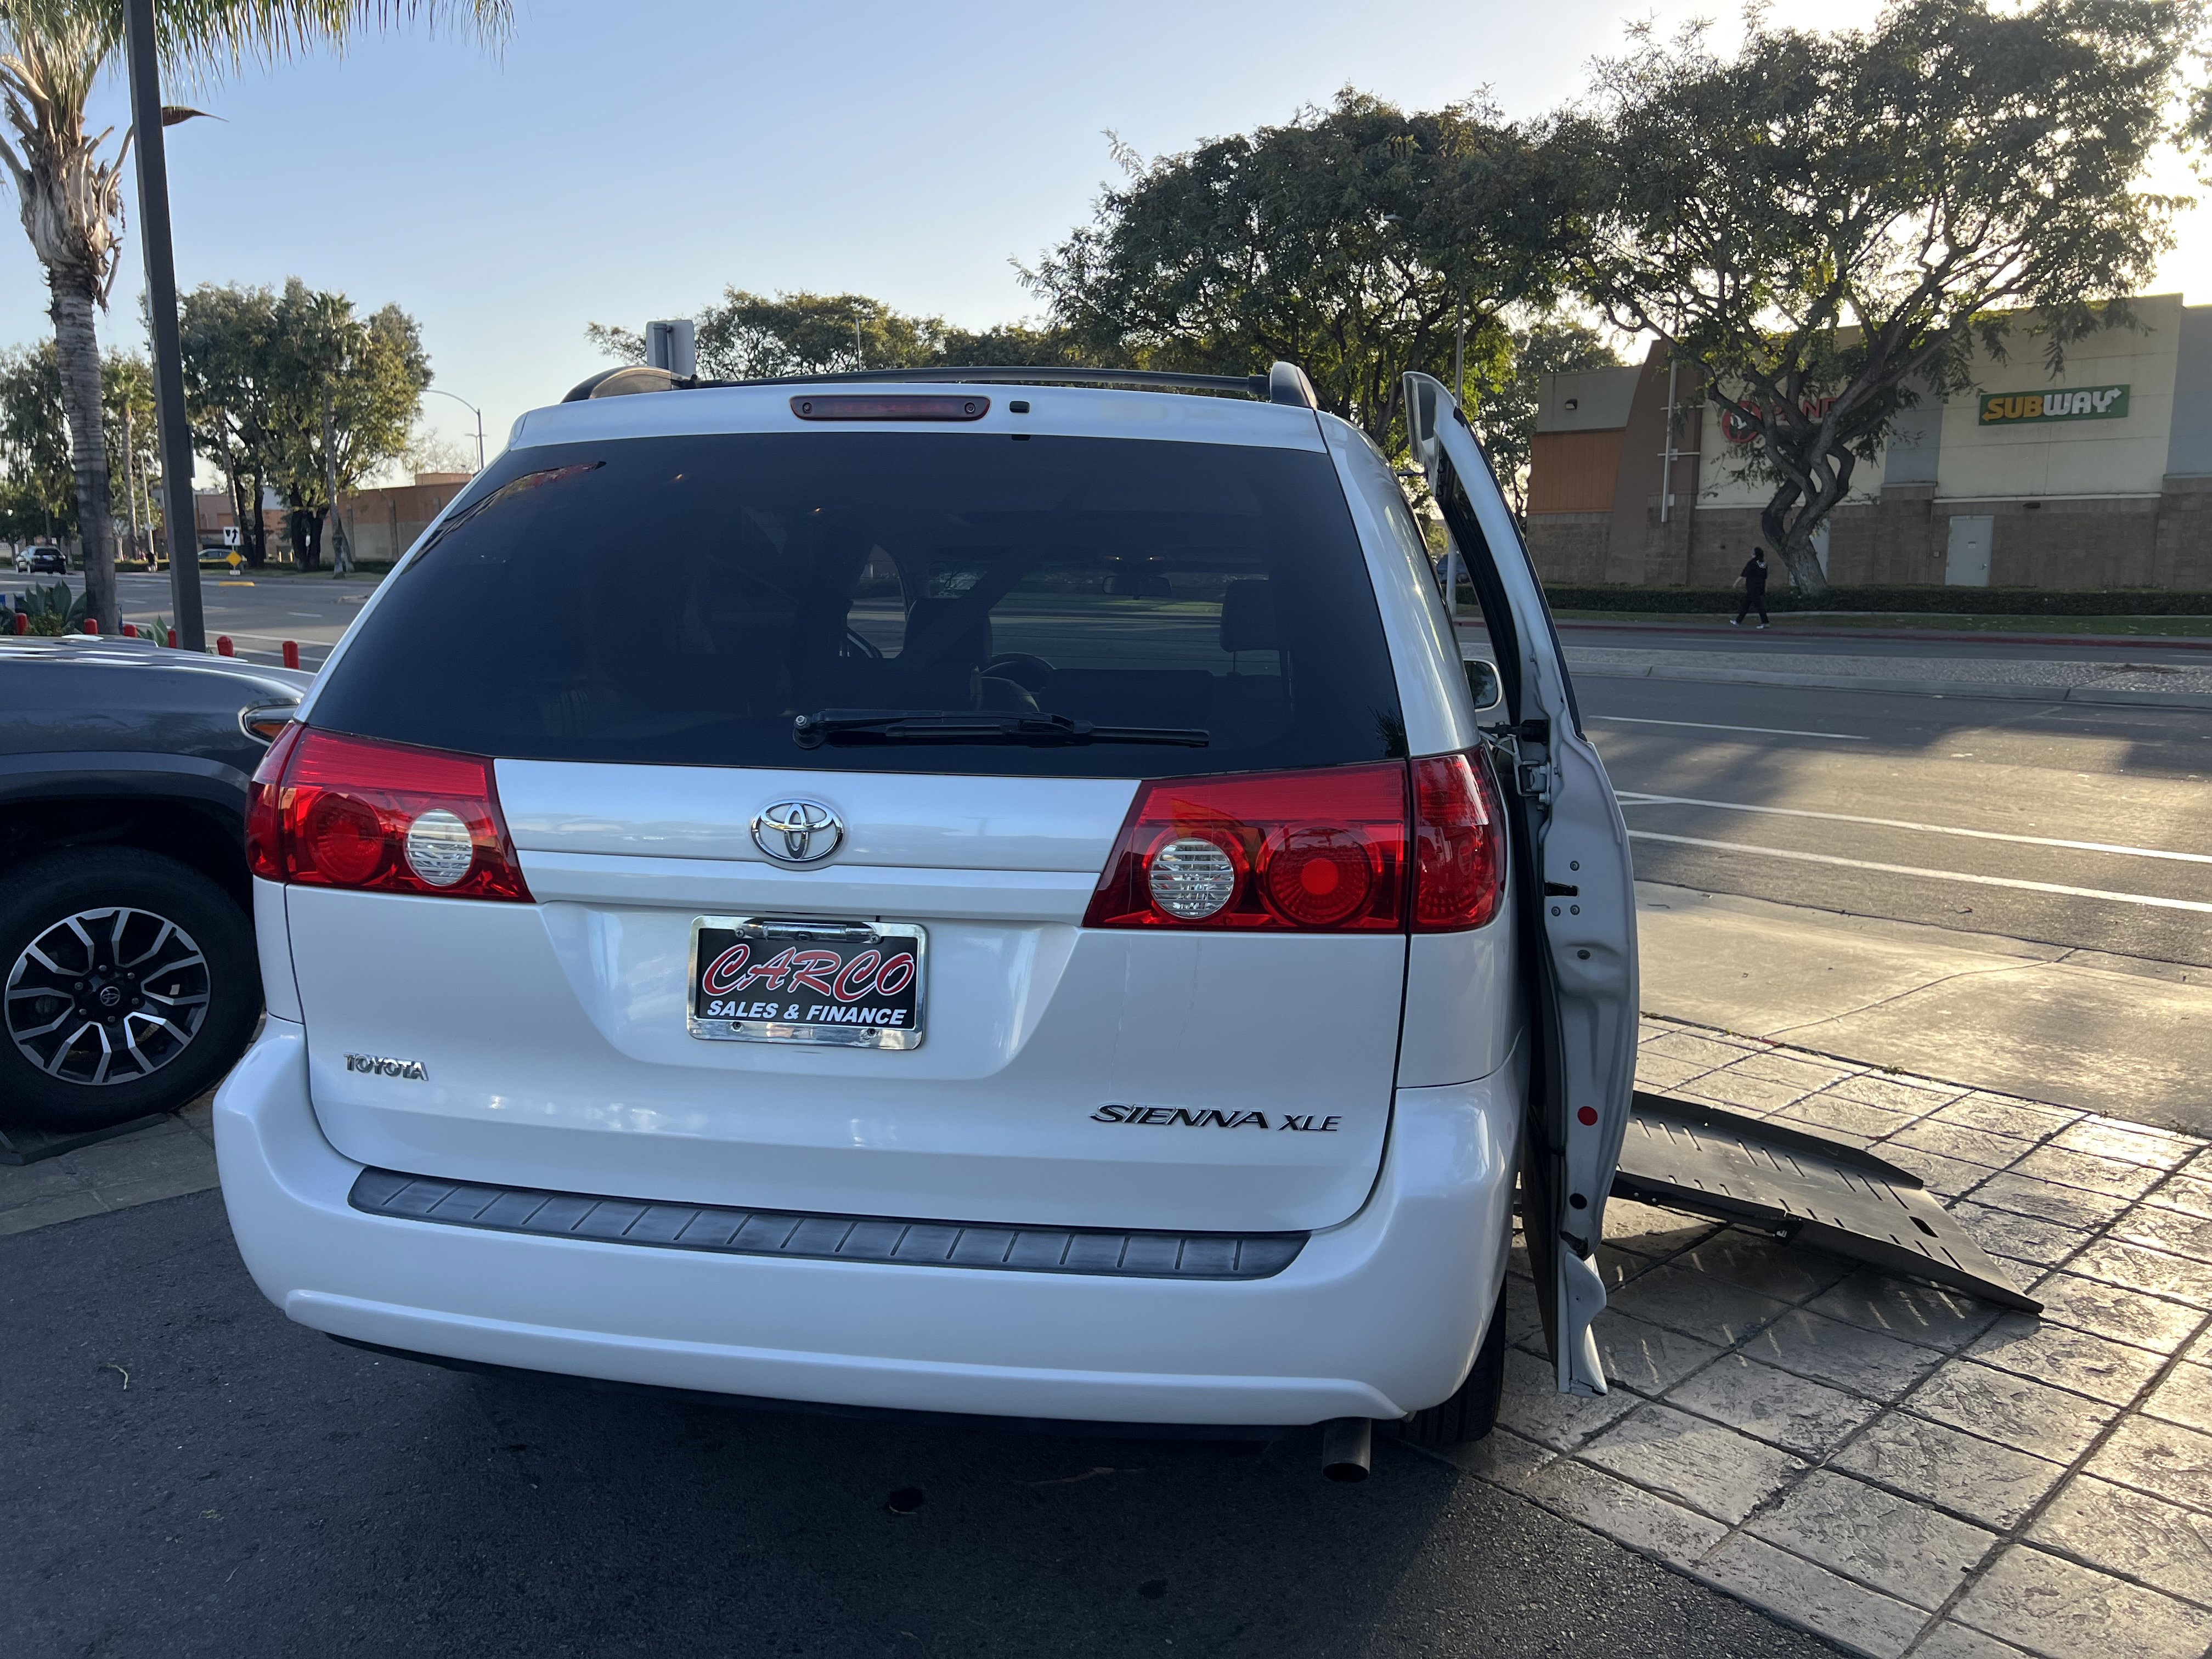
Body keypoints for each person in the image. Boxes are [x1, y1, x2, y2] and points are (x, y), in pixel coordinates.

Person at [1733, 548, 1771, 628]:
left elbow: (1744, 574)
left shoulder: (1752, 563)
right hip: (1760, 586)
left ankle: (1765, 622)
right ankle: (1738, 621)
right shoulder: (1764, 564)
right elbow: (1765, 576)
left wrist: (1736, 583)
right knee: (1746, 604)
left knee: (1759, 605)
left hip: (1752, 586)